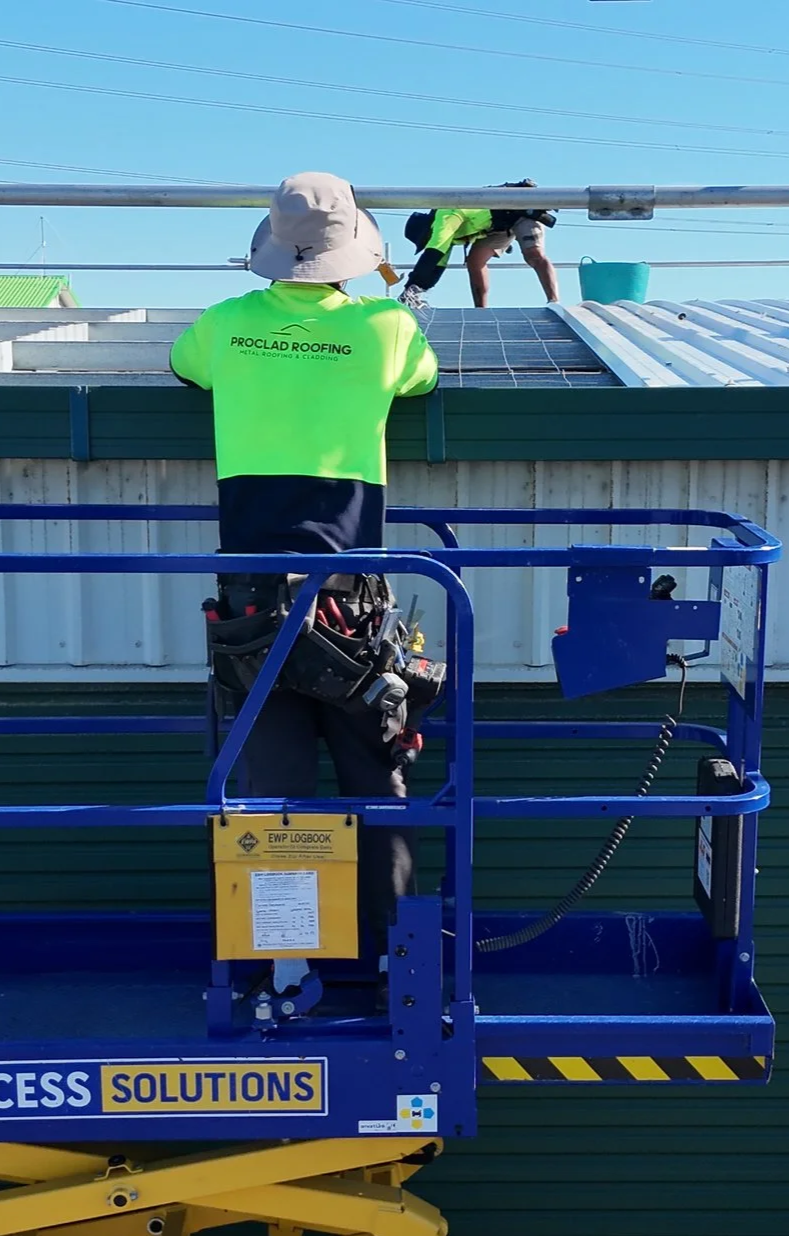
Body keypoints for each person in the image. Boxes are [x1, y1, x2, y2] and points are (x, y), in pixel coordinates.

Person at [170, 171, 439, 958]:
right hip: (351, 609)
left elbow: (187, 368)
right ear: (351, 249)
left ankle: (282, 973)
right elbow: (422, 380)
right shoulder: (389, 329)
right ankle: (400, 966)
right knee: (378, 789)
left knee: (276, 801)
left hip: (252, 609)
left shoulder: (221, 326)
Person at [400, 180, 560, 308]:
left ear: (427, 231)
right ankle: (481, 311)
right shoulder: (445, 238)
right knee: (474, 262)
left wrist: (408, 288)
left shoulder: (445, 216)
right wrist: (418, 290)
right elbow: (437, 267)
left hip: (520, 210)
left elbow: (432, 254)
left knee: (533, 255)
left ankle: (553, 301)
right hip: (497, 226)